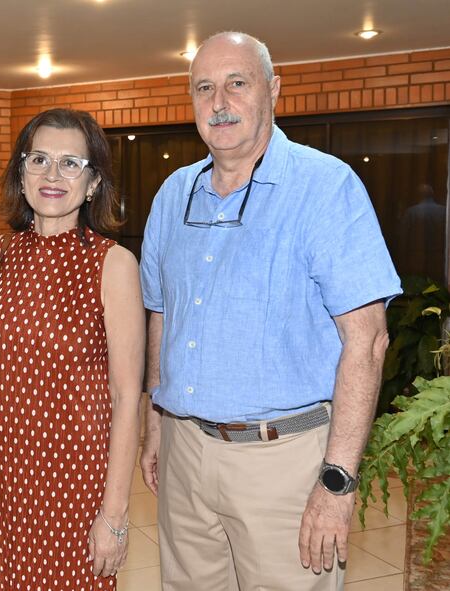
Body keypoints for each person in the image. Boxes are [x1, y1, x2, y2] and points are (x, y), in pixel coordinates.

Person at [139, 32, 402, 591]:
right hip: (184, 457)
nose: (219, 102)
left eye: (237, 83)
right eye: (204, 87)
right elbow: (162, 315)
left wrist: (337, 481)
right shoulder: (172, 194)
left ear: (273, 90)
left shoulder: (326, 188)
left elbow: (368, 341)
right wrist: (155, 422)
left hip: (285, 461)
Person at [0, 108, 144, 590]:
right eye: (39, 158)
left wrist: (115, 514)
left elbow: (127, 398)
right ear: (21, 174)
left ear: (94, 182)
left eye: (70, 163)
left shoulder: (113, 264)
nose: (53, 174)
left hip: (68, 482)